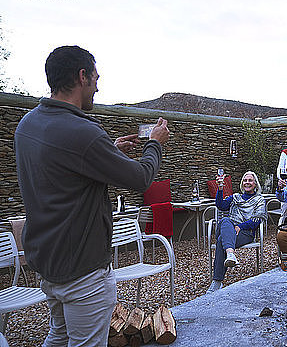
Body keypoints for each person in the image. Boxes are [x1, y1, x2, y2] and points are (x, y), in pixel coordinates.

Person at [14, 45, 170, 346]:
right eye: (96, 78)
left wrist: (107, 149)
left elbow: (63, 165)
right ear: (82, 76)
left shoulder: (28, 125)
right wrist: (155, 144)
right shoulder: (83, 132)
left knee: (58, 336)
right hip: (82, 270)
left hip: (47, 262)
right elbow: (140, 179)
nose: (98, 85)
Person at [207, 171, 267, 293]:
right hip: (228, 228)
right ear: (242, 183)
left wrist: (240, 226)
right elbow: (221, 205)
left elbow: (257, 220)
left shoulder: (259, 199)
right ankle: (230, 254)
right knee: (225, 220)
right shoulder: (235, 197)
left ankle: (217, 282)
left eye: (250, 180)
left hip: (246, 233)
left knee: (220, 241)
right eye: (245, 180)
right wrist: (220, 188)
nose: (247, 183)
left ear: (255, 184)